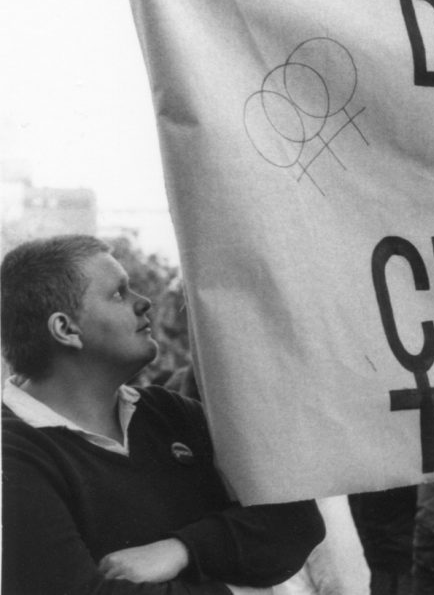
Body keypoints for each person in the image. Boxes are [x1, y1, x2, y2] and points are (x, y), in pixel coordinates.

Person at [1, 235, 326, 594]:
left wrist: (182, 549)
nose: (145, 303)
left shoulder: (170, 413)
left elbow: (296, 521)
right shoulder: (11, 453)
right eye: (119, 294)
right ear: (66, 329)